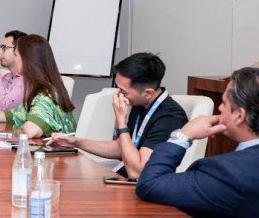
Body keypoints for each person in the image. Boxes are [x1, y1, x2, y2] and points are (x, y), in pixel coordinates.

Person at [136, 67, 259, 218]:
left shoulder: (230, 174)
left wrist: (183, 135)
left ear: (239, 116)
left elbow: (150, 184)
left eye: (224, 103)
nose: (219, 108)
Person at [48, 53, 187, 179]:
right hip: (124, 178)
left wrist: (121, 120)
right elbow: (123, 148)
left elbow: (137, 172)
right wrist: (75, 142)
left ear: (148, 93)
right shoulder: (140, 104)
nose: (118, 94)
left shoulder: (169, 118)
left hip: (145, 186)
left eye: (123, 91)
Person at [0, 34, 74, 138]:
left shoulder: (46, 94)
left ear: (27, 59)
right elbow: (12, 115)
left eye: (15, 55)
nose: (14, 59)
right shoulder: (37, 89)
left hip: (55, 149)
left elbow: (30, 131)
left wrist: (15, 131)